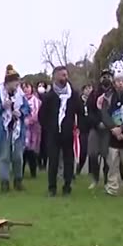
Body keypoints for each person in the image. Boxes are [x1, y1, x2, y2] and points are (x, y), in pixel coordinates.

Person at [39, 65, 84, 197]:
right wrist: (49, 128)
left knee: (68, 161)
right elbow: (42, 116)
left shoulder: (73, 94)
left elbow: (80, 112)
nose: (65, 77)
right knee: (53, 161)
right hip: (53, 134)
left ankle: (67, 186)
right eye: (62, 75)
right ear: (55, 76)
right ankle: (52, 188)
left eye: (66, 75)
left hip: (68, 133)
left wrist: (78, 127)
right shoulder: (49, 96)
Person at [0, 66, 30, 192]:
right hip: (3, 129)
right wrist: (2, 107)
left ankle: (18, 180)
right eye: (15, 82)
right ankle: (4, 182)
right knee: (4, 157)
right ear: (8, 82)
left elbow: (27, 108)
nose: (17, 84)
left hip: (17, 129)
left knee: (18, 157)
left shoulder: (20, 94)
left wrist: (21, 112)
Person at [86, 70, 115, 189]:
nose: (106, 79)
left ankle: (107, 180)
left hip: (109, 130)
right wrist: (97, 123)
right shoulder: (94, 94)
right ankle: (95, 179)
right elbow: (89, 112)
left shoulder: (115, 94)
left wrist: (108, 124)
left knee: (106, 156)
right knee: (92, 154)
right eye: (104, 77)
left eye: (108, 76)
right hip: (95, 128)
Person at [23, 82, 42, 178]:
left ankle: (33, 172)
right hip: (22, 128)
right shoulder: (21, 100)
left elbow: (37, 113)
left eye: (27, 87)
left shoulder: (36, 101)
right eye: (23, 88)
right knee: (22, 151)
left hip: (33, 128)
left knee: (32, 150)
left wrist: (29, 120)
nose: (25, 89)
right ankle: (20, 173)